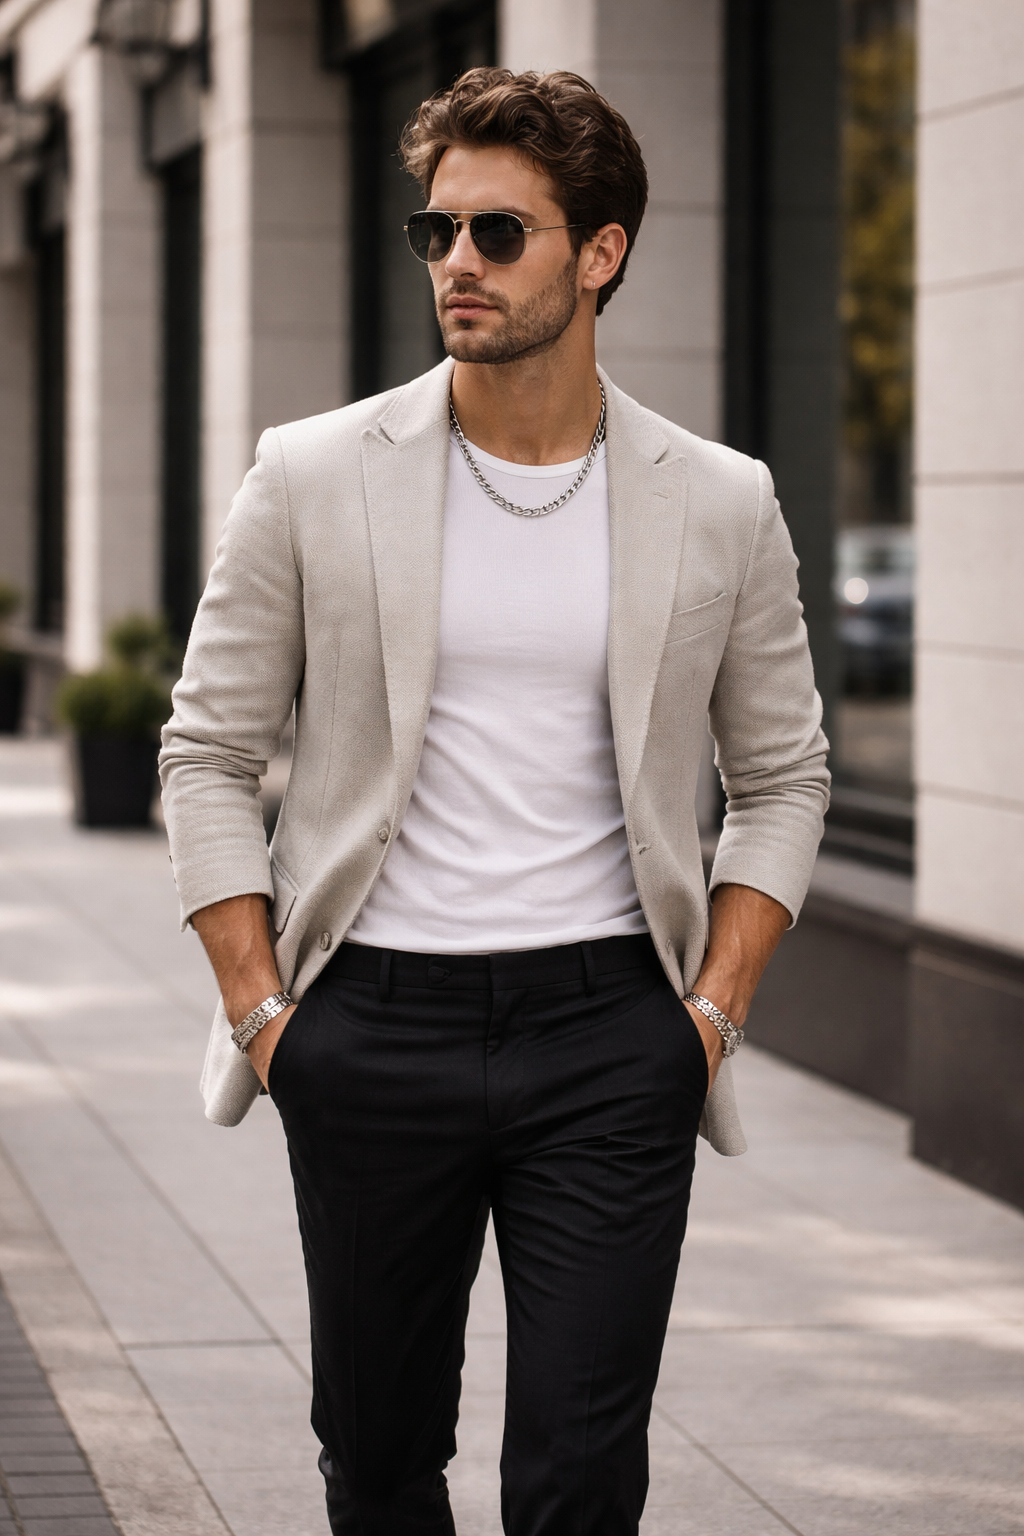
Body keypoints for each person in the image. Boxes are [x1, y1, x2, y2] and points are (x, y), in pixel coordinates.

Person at [160, 68, 829, 1536]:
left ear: (601, 252)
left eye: (498, 234)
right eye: (436, 231)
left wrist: (709, 1015)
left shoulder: (719, 497)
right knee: (384, 1456)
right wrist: (269, 1019)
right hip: (371, 1022)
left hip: (610, 1034)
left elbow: (782, 778)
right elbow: (207, 752)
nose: (456, 263)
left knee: (582, 1475)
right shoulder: (313, 474)